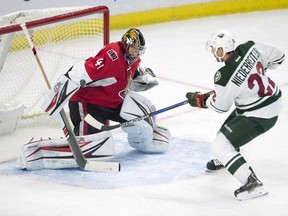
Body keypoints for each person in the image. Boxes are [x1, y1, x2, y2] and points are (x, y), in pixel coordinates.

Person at [17, 28, 170, 170]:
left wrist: (142, 78)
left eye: (139, 51)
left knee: (144, 118)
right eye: (135, 50)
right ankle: (39, 152)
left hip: (113, 102)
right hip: (88, 105)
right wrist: (58, 93)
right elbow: (80, 70)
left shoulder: (133, 59)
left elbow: (129, 73)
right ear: (126, 45)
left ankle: (146, 139)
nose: (137, 54)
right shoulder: (113, 56)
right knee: (92, 149)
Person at [185, 30, 285, 200]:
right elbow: (279, 57)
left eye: (215, 50)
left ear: (221, 51)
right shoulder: (251, 47)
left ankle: (252, 184)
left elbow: (220, 106)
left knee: (219, 145)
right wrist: (260, 69)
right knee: (225, 133)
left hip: (261, 114)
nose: (213, 53)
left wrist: (201, 100)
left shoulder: (224, 76)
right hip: (270, 100)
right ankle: (229, 157)